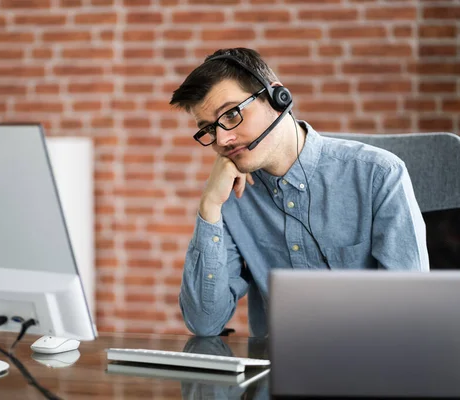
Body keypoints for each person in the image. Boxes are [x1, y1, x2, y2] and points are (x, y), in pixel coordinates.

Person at [169, 47, 429, 337]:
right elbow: (205, 323)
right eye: (208, 129)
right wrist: (209, 208)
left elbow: (410, 313)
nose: (222, 139)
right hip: (278, 374)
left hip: (370, 370)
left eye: (231, 115)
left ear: (278, 98)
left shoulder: (378, 175)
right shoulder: (229, 195)